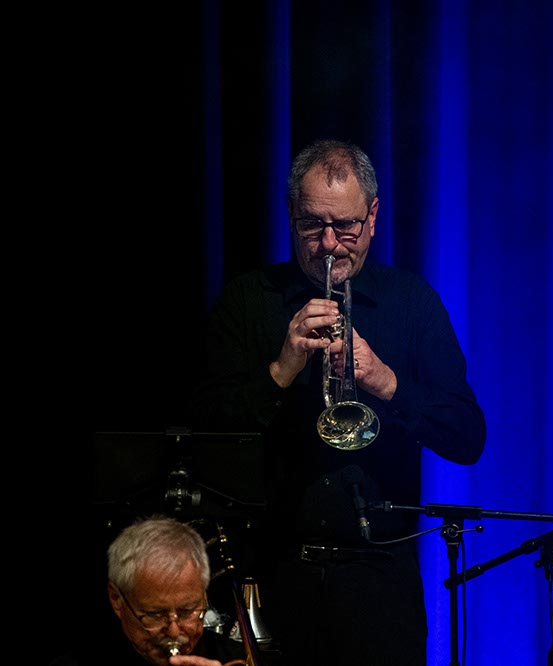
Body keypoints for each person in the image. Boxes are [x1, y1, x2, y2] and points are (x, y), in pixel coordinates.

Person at [189, 139, 487, 665]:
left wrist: (385, 381)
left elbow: (468, 436)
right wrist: (281, 370)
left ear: (372, 216)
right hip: (270, 578)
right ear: (290, 215)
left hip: (380, 585)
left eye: (345, 226)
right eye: (312, 225)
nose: (329, 244)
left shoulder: (411, 302)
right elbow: (206, 440)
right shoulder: (247, 299)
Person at [51, 516, 246, 666]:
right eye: (155, 614)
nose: (174, 631)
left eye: (187, 611)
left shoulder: (238, 658)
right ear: (116, 598)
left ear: (204, 595)